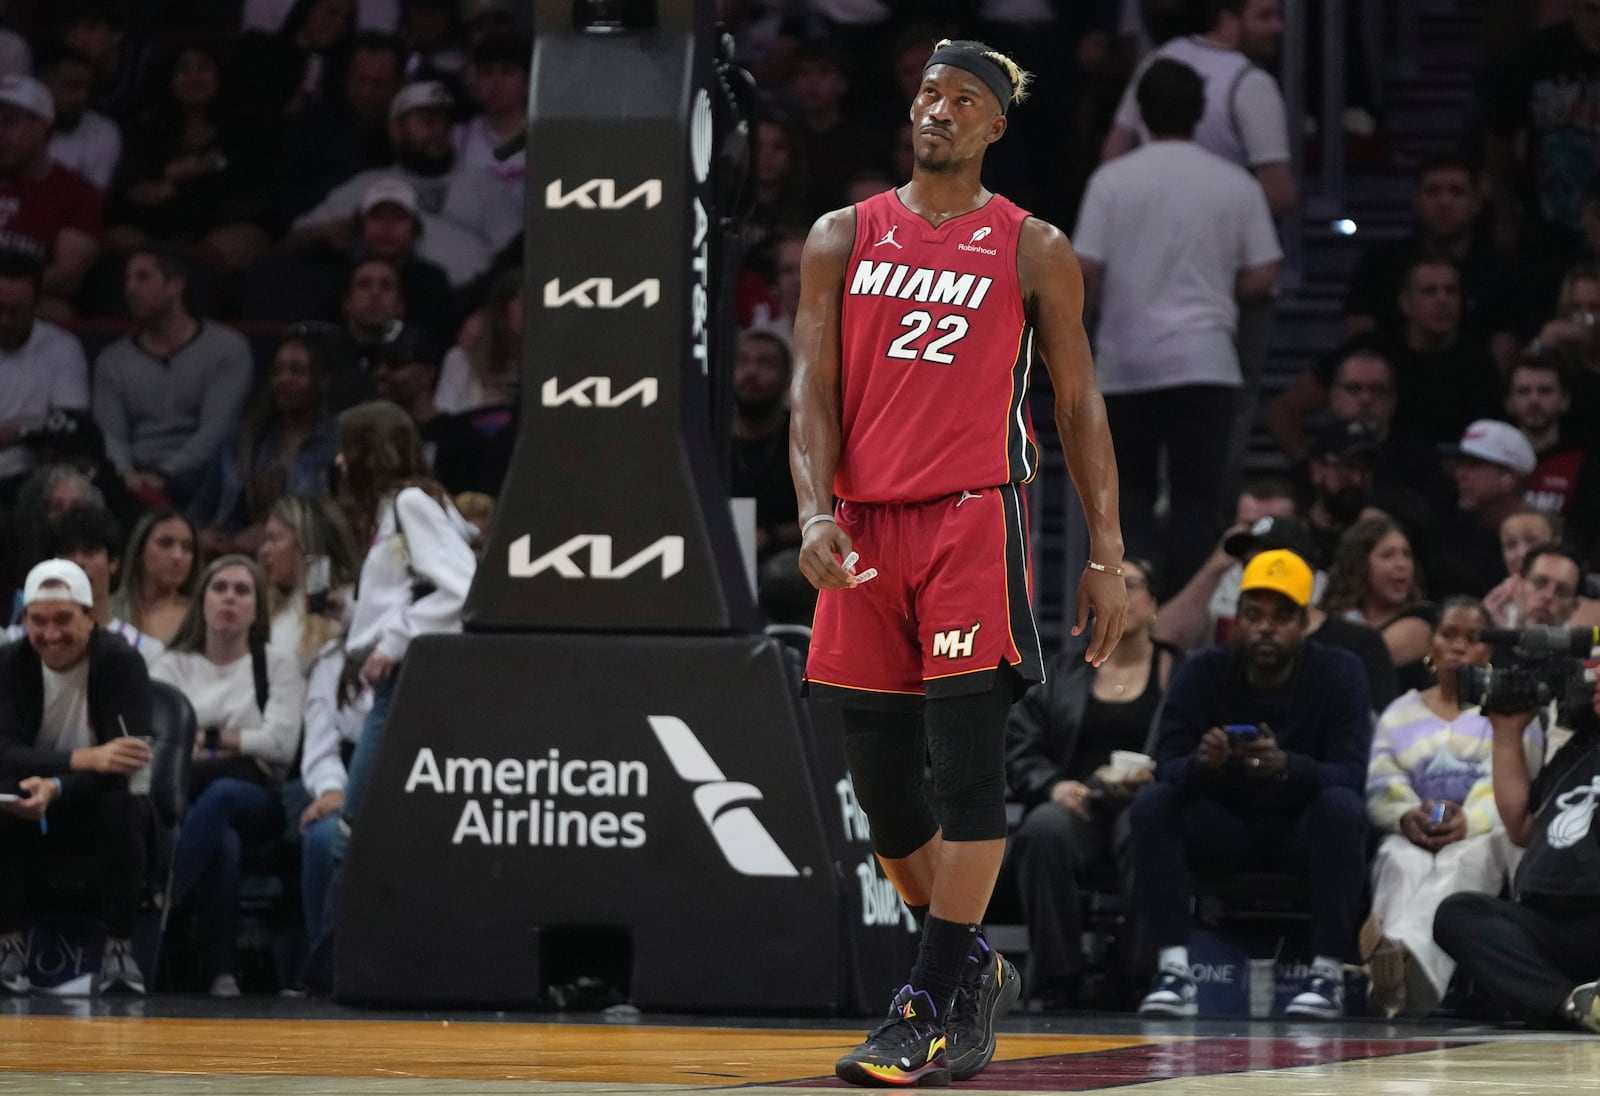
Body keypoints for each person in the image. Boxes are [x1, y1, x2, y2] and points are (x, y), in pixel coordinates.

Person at [789, 40, 1128, 1086]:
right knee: (886, 798)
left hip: (971, 520)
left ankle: (925, 999)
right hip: (861, 525)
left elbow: (1075, 406)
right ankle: (971, 969)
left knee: (967, 773)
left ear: (995, 126)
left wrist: (1107, 553)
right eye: (929, 94)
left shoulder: (1033, 246)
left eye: (963, 100)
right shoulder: (841, 235)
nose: (937, 111)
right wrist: (809, 512)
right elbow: (810, 389)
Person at [1131, 550, 1373, 1019]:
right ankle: (1174, 972)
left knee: (1342, 806)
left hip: (1303, 831)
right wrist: (1205, 763)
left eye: (1282, 617)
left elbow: (1353, 773)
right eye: (1254, 615)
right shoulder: (1203, 670)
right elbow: (1165, 764)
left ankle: (1327, 974)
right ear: (1236, 620)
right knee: (1154, 804)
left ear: (1305, 622)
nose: (1267, 627)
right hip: (1225, 829)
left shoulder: (1341, 671)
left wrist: (1288, 767)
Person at [1073, 57, 1281, 589]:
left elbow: (1086, 273)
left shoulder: (1112, 181)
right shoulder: (1235, 183)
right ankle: (1187, 624)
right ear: (1201, 110)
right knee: (1198, 502)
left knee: (1131, 497)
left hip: (1127, 363)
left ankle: (1134, 617)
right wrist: (1215, 291)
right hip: (1207, 362)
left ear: (1141, 112)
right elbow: (1263, 274)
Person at [1005, 558, 1178, 1009]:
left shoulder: (1180, 673)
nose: (1118, 592)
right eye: (1110, 582)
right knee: (1044, 828)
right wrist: (1054, 786)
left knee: (1148, 825)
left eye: (1131, 583)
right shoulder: (1062, 674)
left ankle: (1137, 975)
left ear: (1154, 604)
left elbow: (1196, 744)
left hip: (1149, 803)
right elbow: (1019, 746)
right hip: (1079, 802)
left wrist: (1160, 778)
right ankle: (1058, 978)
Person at [1364, 597, 1539, 1016]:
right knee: (1399, 860)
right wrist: (1407, 815)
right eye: (1449, 635)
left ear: (1488, 651)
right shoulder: (1399, 713)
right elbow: (1382, 782)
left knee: (1462, 862)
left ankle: (1397, 965)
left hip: (1480, 832)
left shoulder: (1510, 709)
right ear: (1431, 643)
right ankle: (1395, 981)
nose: (1459, 647)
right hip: (1414, 830)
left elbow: (1515, 778)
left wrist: (1470, 820)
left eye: (1473, 638)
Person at [152, 555, 306, 997]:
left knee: (222, 796)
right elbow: (158, 745)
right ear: (201, 600)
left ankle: (162, 901)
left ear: (257, 608)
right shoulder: (172, 664)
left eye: (243, 591)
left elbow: (281, 744)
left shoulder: (275, 665)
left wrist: (206, 737)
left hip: (258, 798)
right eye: (220, 588)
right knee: (222, 840)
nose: (230, 599)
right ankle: (222, 974)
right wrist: (239, 742)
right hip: (189, 796)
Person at [0, 558, 154, 994]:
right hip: (31, 796)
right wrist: (86, 759)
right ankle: (6, 943)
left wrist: (60, 784)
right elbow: (4, 755)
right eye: (38, 621)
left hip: (100, 800)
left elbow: (128, 764)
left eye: (63, 620)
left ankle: (119, 949)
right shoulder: (10, 665)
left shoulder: (122, 662)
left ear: (90, 618)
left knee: (121, 804)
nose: (51, 635)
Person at [1433, 665, 1600, 1032]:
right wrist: (1506, 733)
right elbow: (1523, 826)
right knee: (1457, 913)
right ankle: (1575, 1004)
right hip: (1552, 921)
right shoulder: (1581, 745)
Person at [91, 247, 254, 509]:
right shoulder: (112, 359)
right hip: (135, 477)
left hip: (201, 474)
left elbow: (217, 429)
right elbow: (111, 434)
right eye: (127, 279)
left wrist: (165, 475)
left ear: (175, 286)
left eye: (143, 277)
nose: (131, 288)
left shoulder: (226, 348)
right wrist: (127, 475)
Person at [188, 328, 341, 558]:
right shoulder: (241, 439)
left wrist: (269, 536)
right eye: (277, 371)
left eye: (297, 371)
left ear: (323, 381)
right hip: (230, 559)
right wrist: (202, 536)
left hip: (304, 560)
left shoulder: (335, 444)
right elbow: (198, 513)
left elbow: (334, 524)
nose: (284, 379)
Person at [0, 74, 102, 315]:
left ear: (43, 126)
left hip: (23, 308)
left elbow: (67, 277)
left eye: (8, 122)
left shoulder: (78, 193)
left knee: (56, 311)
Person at [0, 250, 90, 497]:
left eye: (17, 311)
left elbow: (72, 421)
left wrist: (20, 430)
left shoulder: (62, 348)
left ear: (37, 304)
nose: (5, 321)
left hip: (27, 481)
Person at [1320, 516, 1435, 693]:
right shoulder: (1332, 615)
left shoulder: (1422, 617)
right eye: (1388, 555)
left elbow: (1369, 658)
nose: (1402, 564)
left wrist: (1351, 618)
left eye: (1407, 554)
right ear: (1359, 564)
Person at [44, 502, 164, 665]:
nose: (78, 561)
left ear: (113, 562)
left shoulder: (146, 651)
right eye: (68, 552)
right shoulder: (22, 642)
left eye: (90, 551)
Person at [1435, 419, 1540, 597]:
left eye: (1474, 464)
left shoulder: (1546, 540)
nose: (1460, 474)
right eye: (1460, 464)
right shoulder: (1453, 540)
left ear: (1508, 477)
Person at [256, 494, 358, 671]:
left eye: (274, 539)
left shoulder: (352, 604)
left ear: (304, 543)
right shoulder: (263, 611)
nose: (264, 550)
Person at [109, 508, 198, 645]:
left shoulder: (201, 617)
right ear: (140, 551)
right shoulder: (108, 610)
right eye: (166, 543)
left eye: (187, 547)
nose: (177, 556)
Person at [41, 43, 122, 192]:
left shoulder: (102, 131)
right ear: (43, 85)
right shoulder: (15, 128)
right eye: (72, 86)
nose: (83, 96)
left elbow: (91, 198)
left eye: (88, 88)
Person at [1483, 506, 1562, 626]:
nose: (1522, 553)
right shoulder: (1493, 608)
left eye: (1532, 541)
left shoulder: (1591, 602)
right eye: (1511, 545)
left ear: (1556, 545)